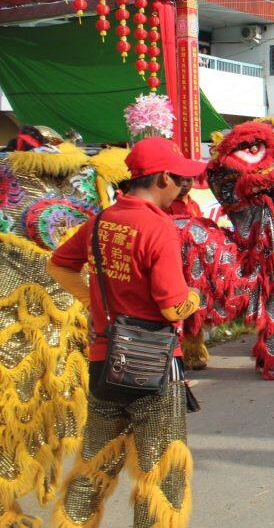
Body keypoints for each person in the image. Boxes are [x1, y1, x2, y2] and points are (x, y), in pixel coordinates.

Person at [46, 137, 203, 527]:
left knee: (95, 463)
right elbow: (171, 304)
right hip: (154, 367)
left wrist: (96, 304)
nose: (183, 187)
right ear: (163, 177)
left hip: (105, 360)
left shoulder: (102, 221)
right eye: (181, 179)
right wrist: (195, 299)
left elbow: (59, 266)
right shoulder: (158, 228)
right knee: (162, 472)